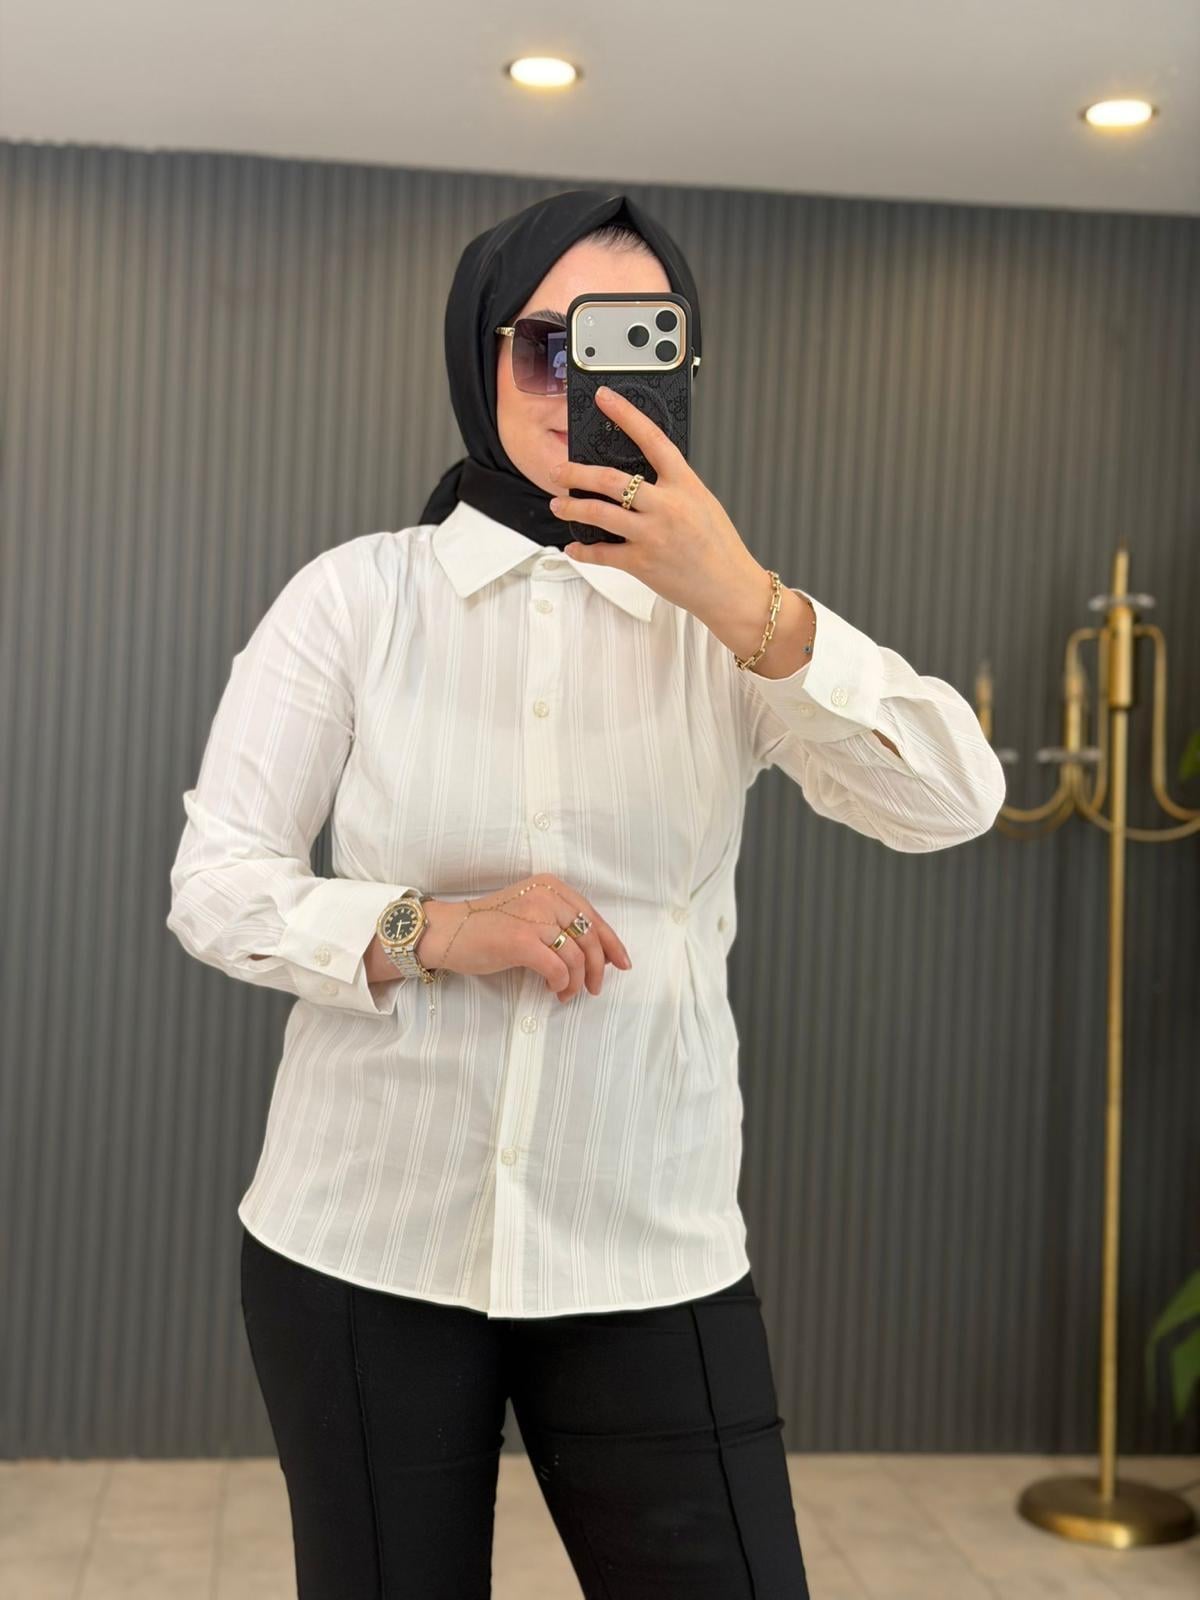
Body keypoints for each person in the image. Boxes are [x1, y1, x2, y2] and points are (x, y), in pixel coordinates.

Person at [167, 187, 1006, 1598]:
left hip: (645, 1249)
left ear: (680, 370)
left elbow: (951, 802)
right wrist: (433, 928)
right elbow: (217, 883)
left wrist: (749, 601)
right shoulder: (356, 600)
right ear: (478, 354)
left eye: (628, 342)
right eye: (542, 344)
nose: (578, 383)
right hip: (363, 1242)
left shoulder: (729, 628)